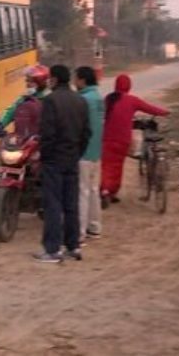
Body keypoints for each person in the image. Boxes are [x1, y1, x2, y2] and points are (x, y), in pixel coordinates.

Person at [34, 65, 91, 264]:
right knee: (71, 204)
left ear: (55, 79)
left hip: (54, 161)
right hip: (72, 159)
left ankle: (52, 250)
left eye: (50, 78)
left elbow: (47, 134)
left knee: (53, 205)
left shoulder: (50, 101)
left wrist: (45, 157)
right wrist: (76, 154)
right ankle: (73, 246)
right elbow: (86, 133)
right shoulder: (80, 101)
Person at [100, 74, 169, 206]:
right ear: (128, 86)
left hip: (107, 138)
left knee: (107, 166)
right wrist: (164, 112)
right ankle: (112, 192)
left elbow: (101, 114)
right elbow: (149, 108)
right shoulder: (132, 100)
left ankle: (105, 191)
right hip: (123, 140)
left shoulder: (109, 98)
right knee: (117, 167)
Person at [74, 66, 104, 243]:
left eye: (75, 78)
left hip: (83, 153)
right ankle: (95, 227)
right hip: (96, 152)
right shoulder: (99, 98)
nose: (74, 82)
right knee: (93, 191)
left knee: (81, 192)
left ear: (83, 80)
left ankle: (79, 233)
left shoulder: (83, 99)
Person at [0, 64, 50, 139]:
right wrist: (0, 125)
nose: (27, 84)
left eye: (30, 81)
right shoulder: (25, 98)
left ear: (39, 83)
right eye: (27, 80)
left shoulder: (49, 100)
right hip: (22, 140)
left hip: (42, 143)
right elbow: (11, 110)